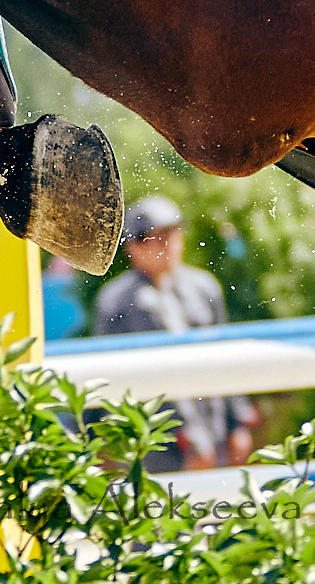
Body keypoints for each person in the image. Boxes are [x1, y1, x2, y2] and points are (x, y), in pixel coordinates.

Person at [91, 196, 255, 472]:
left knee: (219, 508)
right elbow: (118, 380)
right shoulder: (117, 301)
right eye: (154, 238)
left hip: (213, 431)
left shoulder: (203, 288)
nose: (166, 245)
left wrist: (237, 423)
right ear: (133, 247)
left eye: (171, 234)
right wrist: (186, 437)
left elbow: (224, 359)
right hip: (155, 442)